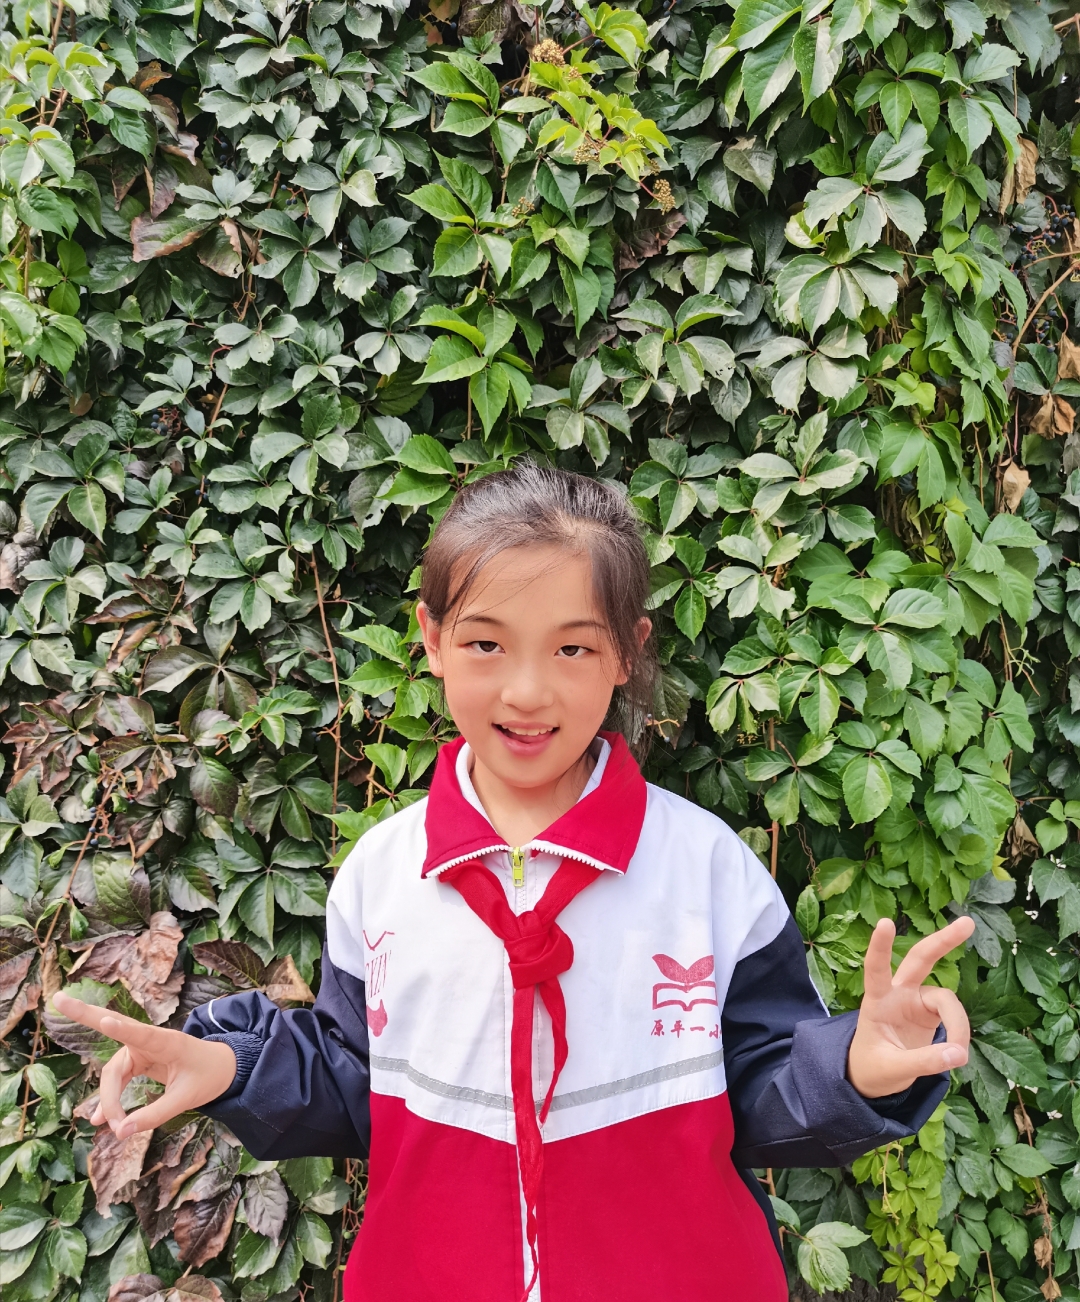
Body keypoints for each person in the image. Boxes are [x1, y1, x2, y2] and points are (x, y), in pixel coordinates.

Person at [54, 463, 975, 1302]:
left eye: (572, 650)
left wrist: (854, 1066)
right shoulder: (382, 875)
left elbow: (763, 1090)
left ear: (627, 651)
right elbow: (353, 1079)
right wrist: (229, 1066)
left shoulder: (706, 871)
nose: (527, 692)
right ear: (432, 639)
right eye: (487, 645)